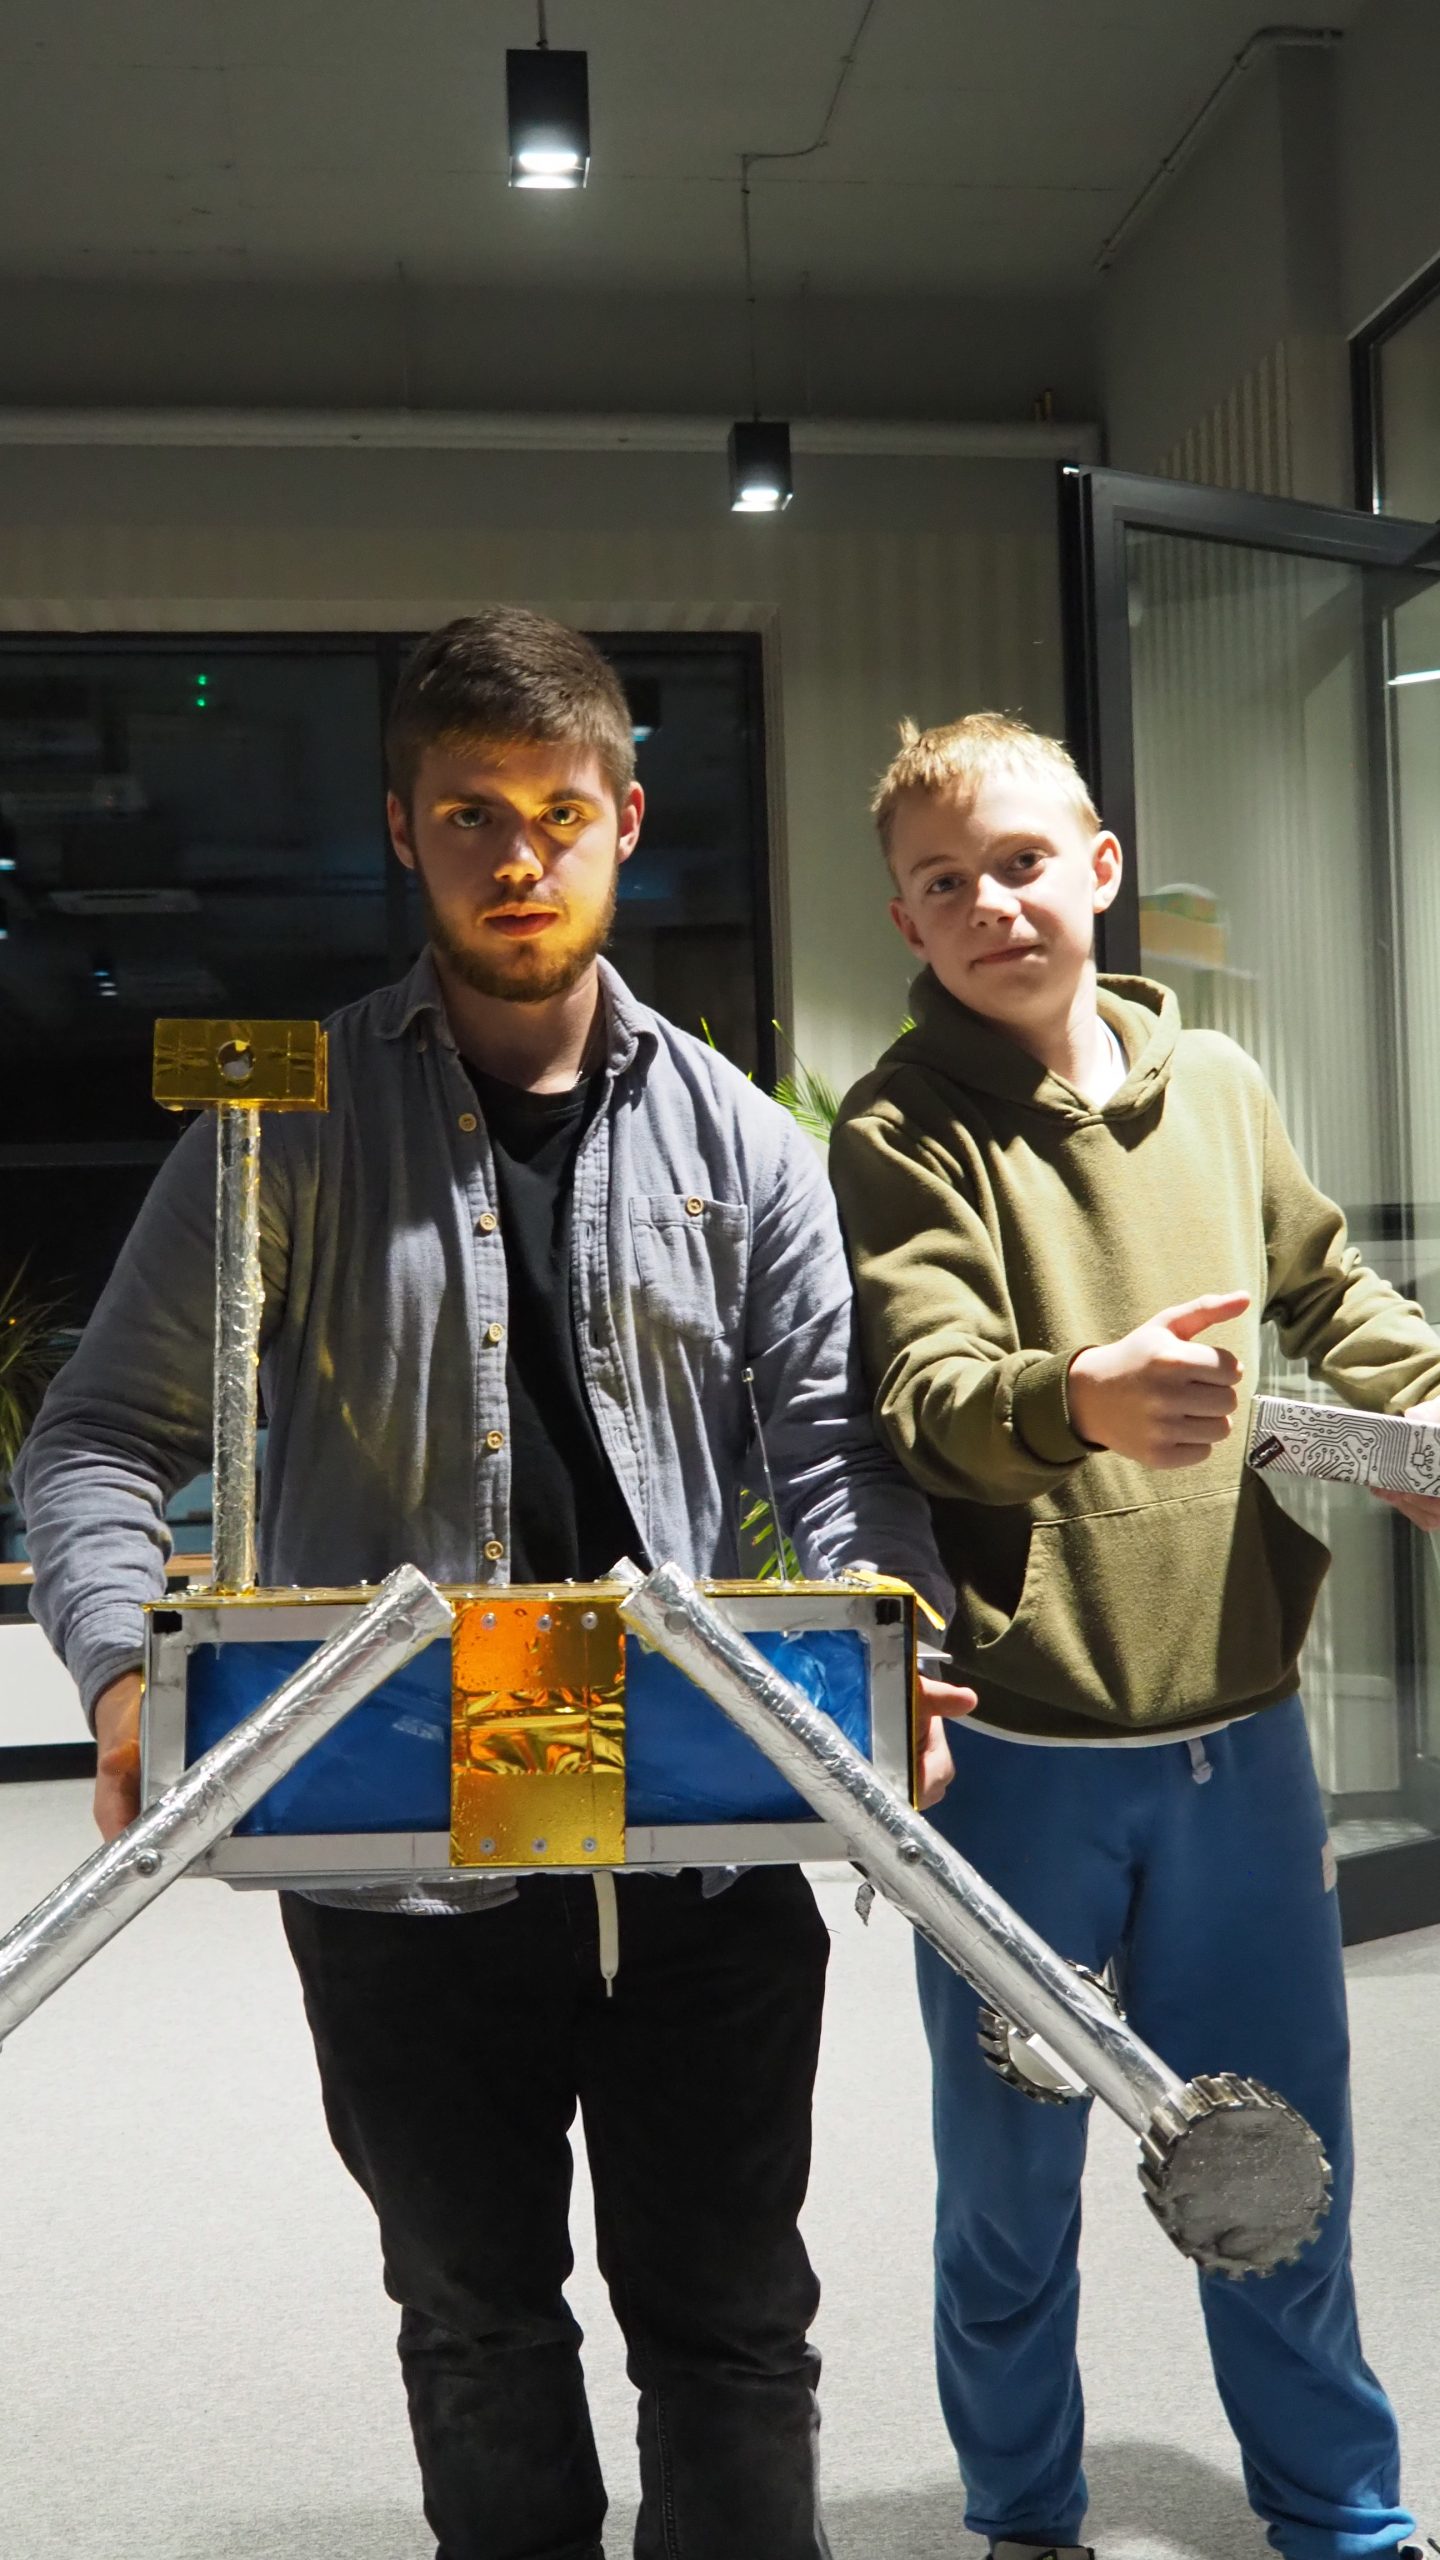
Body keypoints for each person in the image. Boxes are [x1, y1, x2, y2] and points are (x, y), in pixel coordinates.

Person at [14, 611, 968, 2560]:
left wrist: (888, 1641)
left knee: (735, 2327)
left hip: (697, 1835)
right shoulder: (277, 1129)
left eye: (557, 811)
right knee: (473, 2325)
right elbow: (98, 1438)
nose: (518, 856)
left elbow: (836, 1455)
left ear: (627, 819)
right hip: (403, 1845)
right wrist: (121, 1673)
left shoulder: (742, 1143)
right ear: (402, 827)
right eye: (469, 813)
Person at [828, 711, 1440, 2560]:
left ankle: (1342, 2516)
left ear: (1099, 868)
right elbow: (925, 1399)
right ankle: (1026, 2519)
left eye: (1022, 863)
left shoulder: (1222, 1084)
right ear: (907, 922)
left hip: (1241, 1749)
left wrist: (1421, 1418)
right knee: (1009, 2194)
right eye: (945, 883)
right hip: (1019, 1768)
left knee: (1283, 2163)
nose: (991, 904)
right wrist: (1078, 1397)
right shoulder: (898, 1126)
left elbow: (1329, 1290)